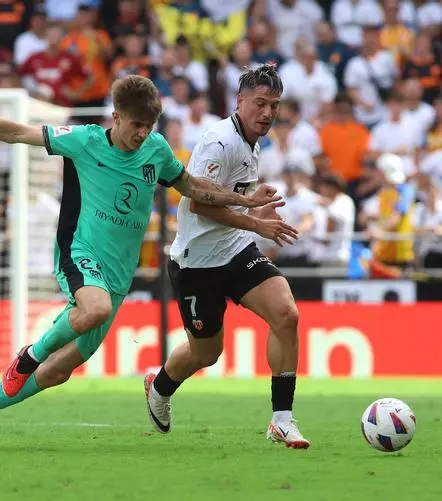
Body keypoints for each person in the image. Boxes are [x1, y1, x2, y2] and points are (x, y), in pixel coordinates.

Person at [0, 74, 293, 448]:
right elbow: (15, 131)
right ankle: (28, 355)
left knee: (58, 372)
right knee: (92, 310)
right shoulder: (84, 141)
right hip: (80, 253)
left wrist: (246, 201)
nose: (141, 133)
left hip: (118, 273)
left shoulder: (156, 150)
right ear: (116, 117)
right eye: (136, 125)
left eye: (149, 125)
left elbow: (192, 187)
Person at [144, 64, 311, 449]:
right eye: (260, 104)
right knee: (207, 353)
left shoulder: (253, 143)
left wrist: (253, 217)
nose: (268, 113)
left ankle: (282, 420)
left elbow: (229, 200)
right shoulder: (220, 142)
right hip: (196, 263)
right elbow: (199, 203)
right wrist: (255, 223)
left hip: (235, 251)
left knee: (286, 314)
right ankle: (161, 385)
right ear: (240, 102)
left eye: (274, 105)